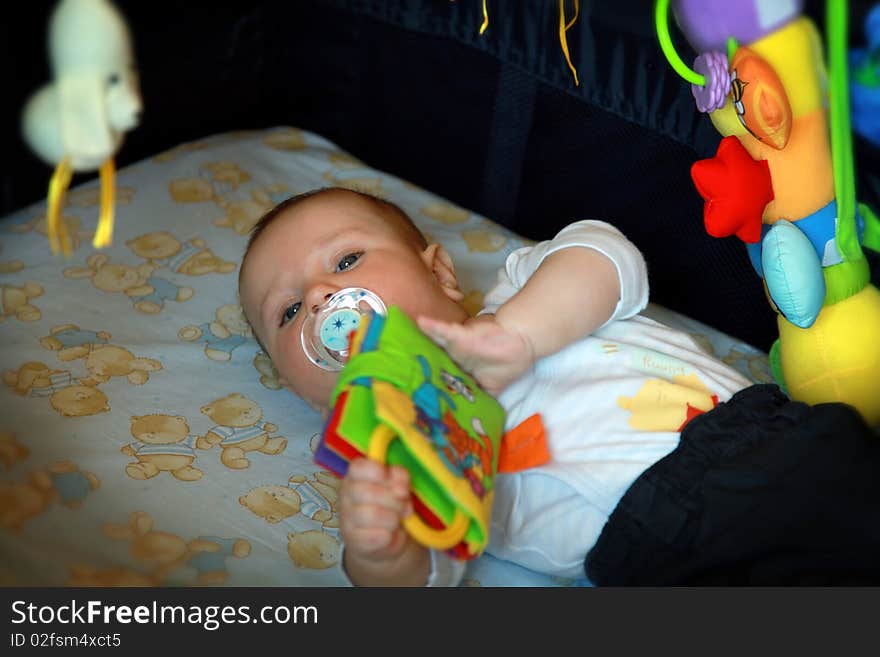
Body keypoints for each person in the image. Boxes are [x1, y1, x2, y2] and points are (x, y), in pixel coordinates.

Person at [238, 186, 880, 586]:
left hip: (758, 450)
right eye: (289, 312)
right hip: (653, 564)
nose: (323, 299)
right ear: (302, 389)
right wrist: (379, 550)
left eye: (347, 261)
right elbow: (429, 575)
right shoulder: (398, 455)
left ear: (441, 275)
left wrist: (520, 333)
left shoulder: (525, 291)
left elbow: (605, 256)